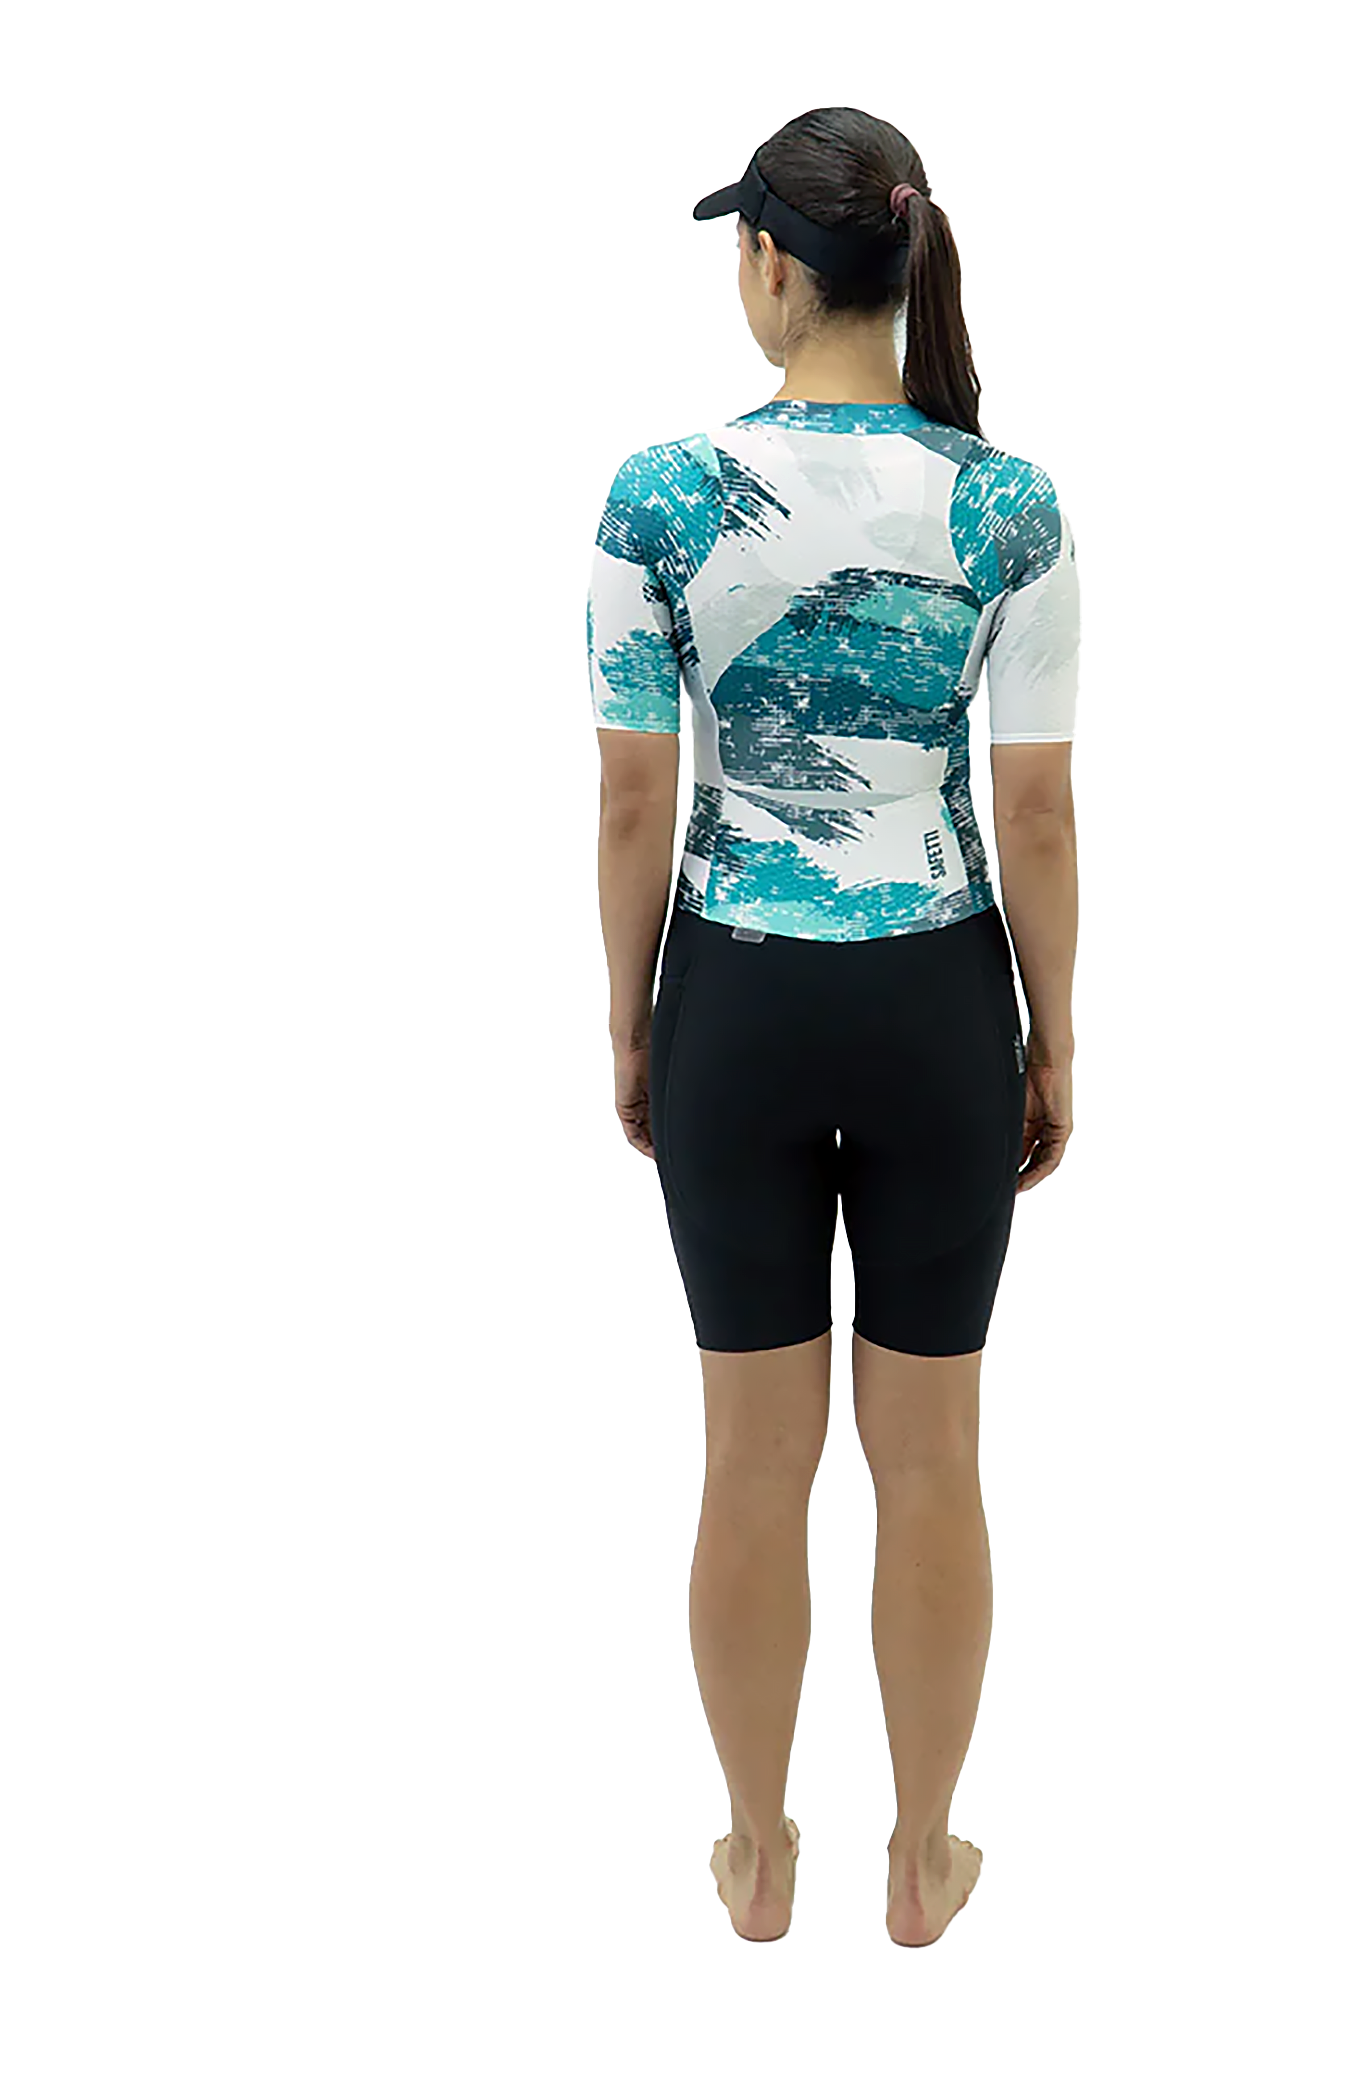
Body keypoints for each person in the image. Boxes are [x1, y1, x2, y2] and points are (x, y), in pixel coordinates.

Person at [586, 107, 1079, 1948]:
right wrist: (1052, 1036)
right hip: (937, 997)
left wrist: (632, 1021)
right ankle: (923, 1855)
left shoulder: (658, 495)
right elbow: (1036, 814)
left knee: (749, 1457)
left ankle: (755, 1845)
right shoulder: (1007, 504)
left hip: (735, 996)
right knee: (932, 1455)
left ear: (772, 264)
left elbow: (632, 801)